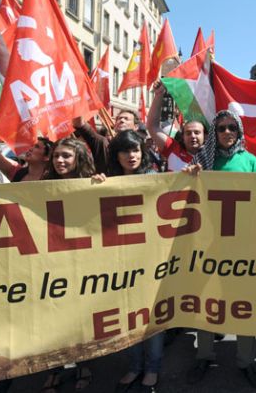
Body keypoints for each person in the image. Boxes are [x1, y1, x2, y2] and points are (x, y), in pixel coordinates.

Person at [182, 110, 256, 390]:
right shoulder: (201, 160)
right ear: (214, 133)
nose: (226, 132)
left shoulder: (249, 161)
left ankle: (246, 361)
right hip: (207, 245)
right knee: (206, 302)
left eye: (231, 127)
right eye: (221, 127)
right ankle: (204, 355)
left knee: (244, 304)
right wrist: (188, 176)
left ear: (239, 131)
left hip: (242, 247)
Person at [93, 130, 162, 392]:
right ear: (116, 155)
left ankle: (153, 368)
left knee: (152, 317)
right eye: (125, 151)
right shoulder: (108, 181)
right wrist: (95, 186)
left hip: (150, 260)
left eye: (135, 150)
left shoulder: (155, 178)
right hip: (120, 263)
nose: (131, 156)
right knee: (128, 318)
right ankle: (134, 366)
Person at [39, 136, 96, 391]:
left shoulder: (92, 183)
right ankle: (55, 367)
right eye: (56, 156)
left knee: (79, 319)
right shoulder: (42, 186)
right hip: (51, 262)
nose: (60, 161)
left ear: (78, 159)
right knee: (53, 319)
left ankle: (84, 365)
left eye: (66, 156)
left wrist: (101, 187)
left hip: (82, 262)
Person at [146, 80, 207, 171]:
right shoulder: (173, 149)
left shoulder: (215, 157)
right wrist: (159, 94)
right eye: (188, 133)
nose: (193, 136)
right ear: (182, 136)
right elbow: (152, 126)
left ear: (205, 136)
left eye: (197, 132)